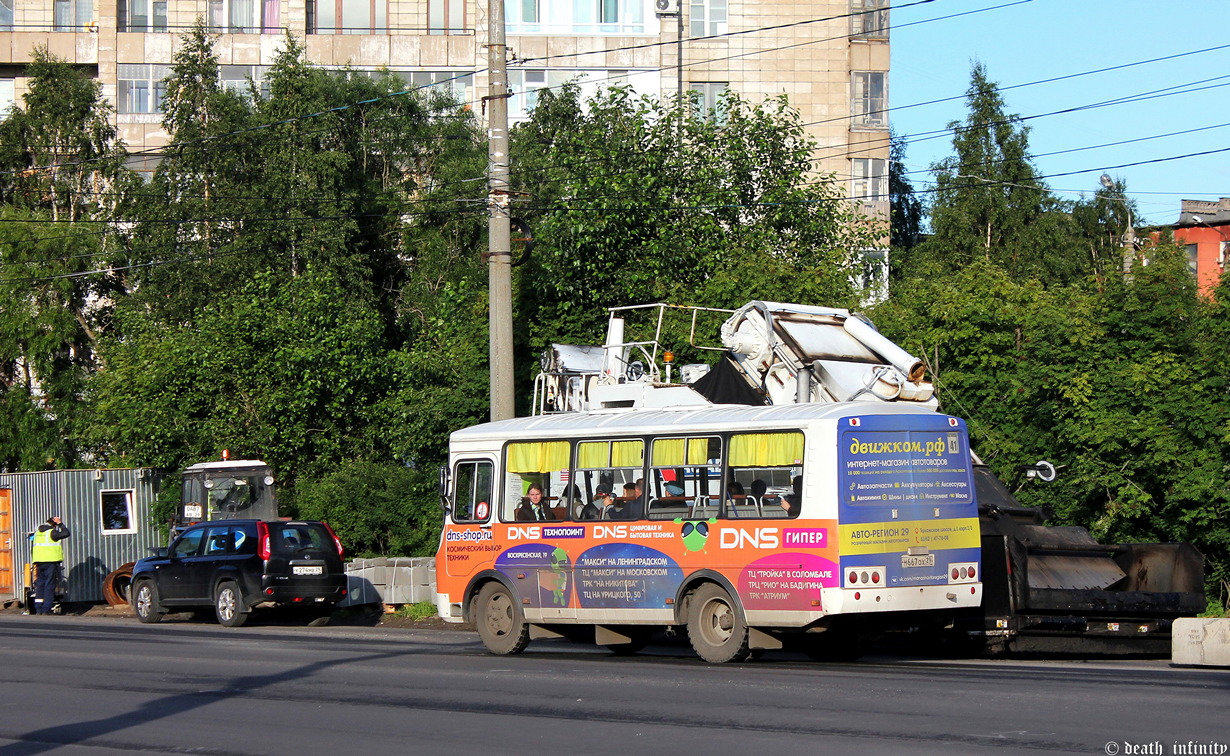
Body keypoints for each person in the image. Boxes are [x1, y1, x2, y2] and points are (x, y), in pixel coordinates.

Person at [31, 515, 70, 615]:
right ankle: (46, 609)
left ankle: (38, 609)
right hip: (50, 563)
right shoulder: (51, 532)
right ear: (54, 525)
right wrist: (60, 523)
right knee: (49, 585)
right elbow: (66, 533)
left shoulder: (37, 533)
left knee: (40, 585)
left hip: (39, 563)